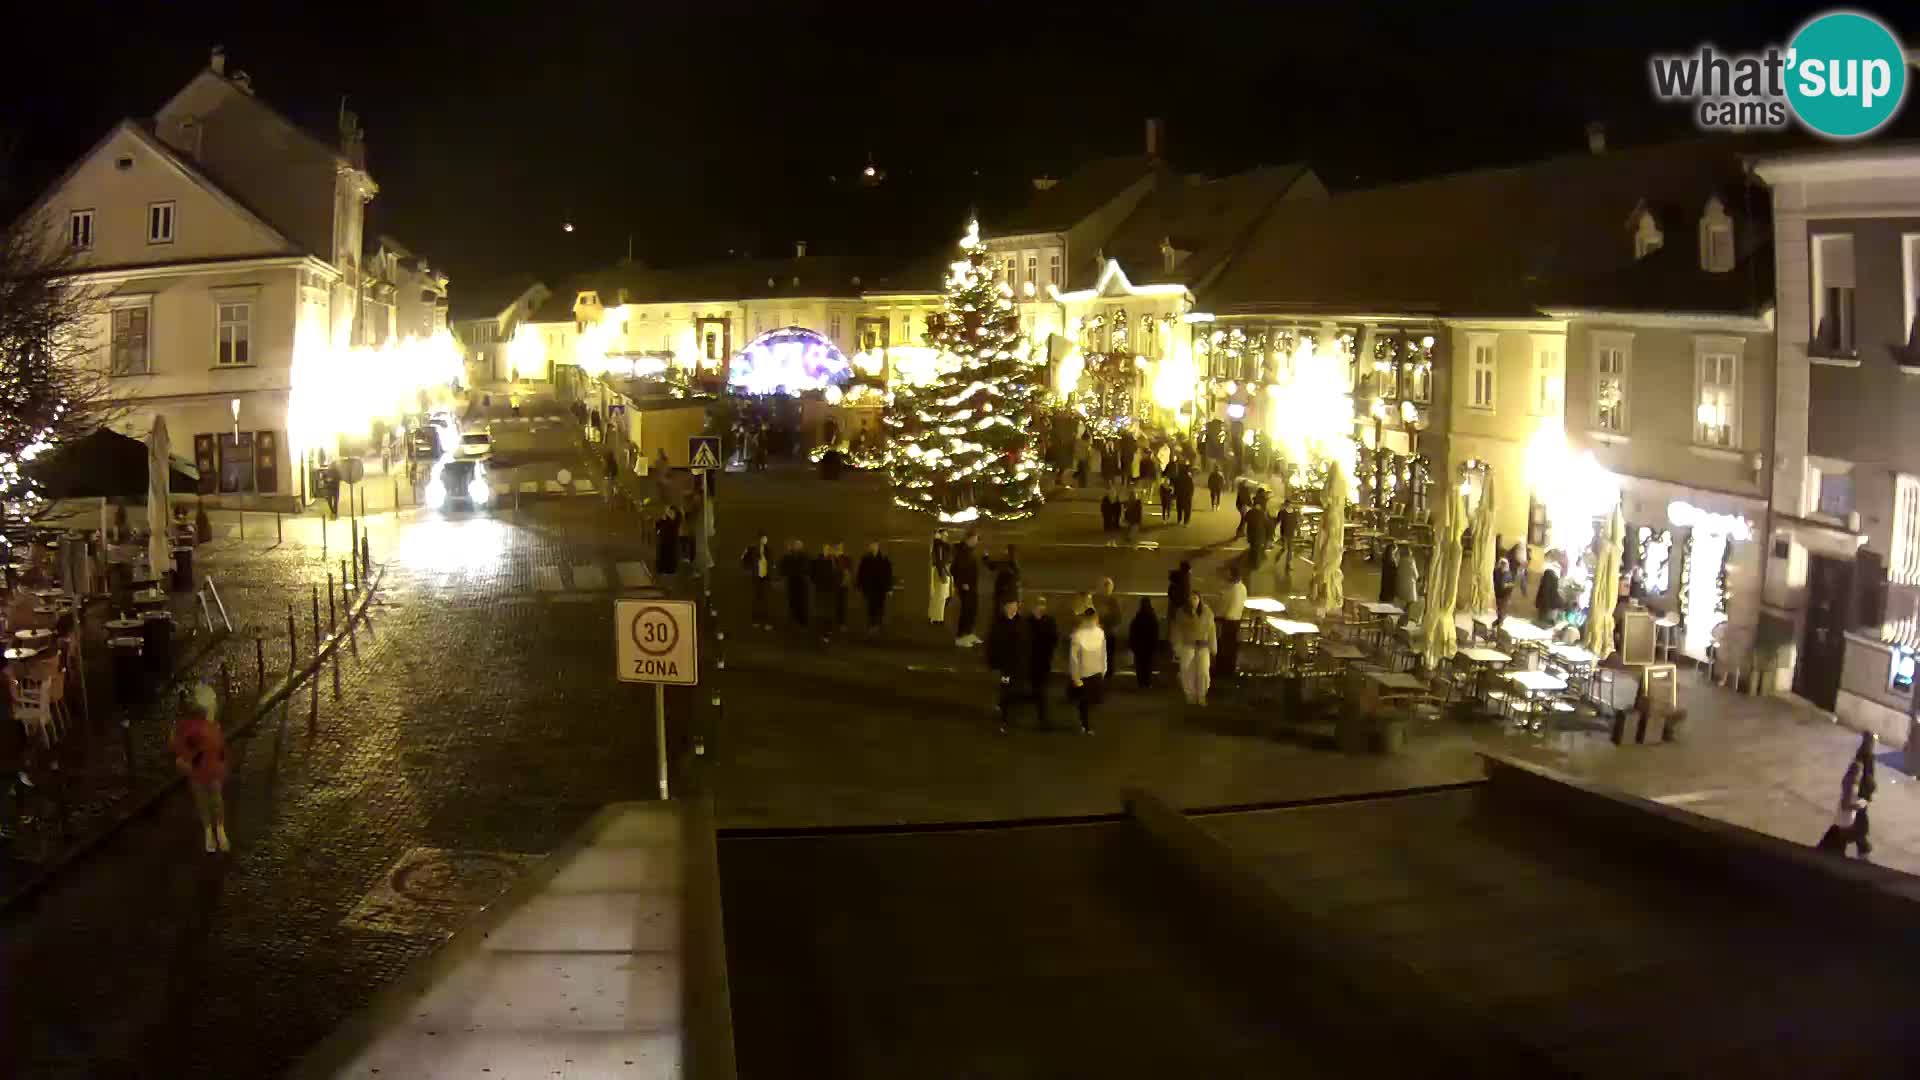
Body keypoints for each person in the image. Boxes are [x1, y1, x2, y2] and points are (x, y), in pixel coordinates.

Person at [169, 686, 229, 853]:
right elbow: (176, 744)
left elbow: (219, 744)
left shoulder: (211, 724)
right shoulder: (186, 725)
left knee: (216, 799)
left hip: (211, 766)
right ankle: (210, 832)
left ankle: (219, 830)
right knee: (203, 800)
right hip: (197, 768)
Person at [1819, 733, 1877, 857]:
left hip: (1854, 807)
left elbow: (1866, 777)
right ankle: (1861, 849)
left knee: (1850, 831)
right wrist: (1860, 802)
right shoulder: (1858, 771)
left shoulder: (1861, 762)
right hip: (1851, 810)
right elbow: (1865, 779)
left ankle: (1861, 849)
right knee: (1849, 832)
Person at [986, 598, 1037, 734]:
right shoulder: (998, 623)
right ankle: (1005, 717)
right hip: (1005, 665)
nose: (1010, 607)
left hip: (1018, 664)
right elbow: (992, 643)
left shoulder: (1022, 623)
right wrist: (993, 661)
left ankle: (1009, 713)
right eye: (1008, 605)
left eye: (1013, 604)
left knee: (1015, 687)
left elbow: (1027, 643)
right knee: (1006, 687)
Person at [1170, 590, 1219, 706]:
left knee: (1203, 672)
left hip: (1203, 646)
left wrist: (1213, 648)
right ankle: (1190, 695)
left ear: (1199, 599)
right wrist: (1177, 647)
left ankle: (1202, 695)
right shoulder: (1181, 613)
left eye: (1195, 598)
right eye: (1190, 598)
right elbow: (1177, 631)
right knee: (1187, 671)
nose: (1193, 600)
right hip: (1187, 645)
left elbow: (1211, 631)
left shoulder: (1207, 613)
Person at [1067, 604, 1106, 735]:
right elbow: (1074, 659)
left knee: (1091, 702)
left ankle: (1086, 724)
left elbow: (1103, 653)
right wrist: (1076, 677)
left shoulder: (1099, 633)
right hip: (1085, 674)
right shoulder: (1078, 635)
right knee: (1085, 702)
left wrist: (1103, 669)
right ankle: (1085, 724)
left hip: (1094, 673)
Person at [1028, 595, 1059, 729]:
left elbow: (1053, 639)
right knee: (1037, 688)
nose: (1039, 608)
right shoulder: (1028, 621)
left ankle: (1043, 718)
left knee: (1041, 689)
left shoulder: (1049, 621)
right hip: (1032, 660)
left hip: (1043, 660)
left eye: (1042, 605)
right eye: (1037, 605)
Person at [1215, 564, 1247, 679]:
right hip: (1236, 619)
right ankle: (1229, 669)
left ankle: (1222, 670)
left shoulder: (1232, 589)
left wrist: (1217, 616)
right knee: (1232, 647)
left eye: (1228, 574)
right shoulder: (1242, 588)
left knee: (1224, 646)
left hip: (1228, 620)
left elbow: (1225, 606)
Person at [952, 532, 982, 647]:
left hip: (972, 586)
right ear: (968, 539)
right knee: (966, 611)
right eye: (975, 539)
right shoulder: (961, 551)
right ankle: (960, 637)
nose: (976, 541)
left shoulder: (969, 550)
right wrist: (962, 582)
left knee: (972, 611)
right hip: (966, 587)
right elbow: (955, 569)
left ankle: (968, 633)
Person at [856, 541, 894, 633]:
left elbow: (888, 575)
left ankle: (877, 624)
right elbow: (861, 574)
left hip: (879, 588)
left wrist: (889, 588)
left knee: (878, 606)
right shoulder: (867, 560)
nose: (872, 548)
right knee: (872, 607)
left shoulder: (883, 560)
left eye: (874, 546)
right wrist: (859, 586)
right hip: (871, 588)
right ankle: (873, 624)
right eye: (871, 546)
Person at [742, 533, 774, 630]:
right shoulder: (752, 549)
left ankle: (766, 622)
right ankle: (756, 620)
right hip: (756, 577)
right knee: (756, 599)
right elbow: (745, 560)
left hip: (765, 577)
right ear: (759, 539)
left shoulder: (768, 550)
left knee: (766, 600)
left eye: (766, 538)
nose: (765, 540)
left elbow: (771, 562)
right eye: (763, 538)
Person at [1094, 577, 1123, 679]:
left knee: (1107, 655)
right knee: (1107, 655)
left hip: (1105, 632)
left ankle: (1106, 673)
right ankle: (1106, 674)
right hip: (1107, 632)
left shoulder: (1101, 600)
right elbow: (1117, 617)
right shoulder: (1112, 601)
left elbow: (1117, 617)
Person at [1128, 597, 1160, 689]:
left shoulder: (1138, 617)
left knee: (1140, 665)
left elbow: (1133, 631)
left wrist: (1132, 644)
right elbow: (1155, 633)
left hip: (1139, 645)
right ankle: (1147, 682)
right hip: (1149, 645)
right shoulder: (1152, 617)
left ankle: (1141, 682)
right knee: (1148, 665)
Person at [779, 539, 811, 629]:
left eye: (797, 545)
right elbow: (784, 567)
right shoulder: (790, 556)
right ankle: (795, 621)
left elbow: (805, 568)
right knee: (793, 602)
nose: (795, 547)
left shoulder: (804, 556)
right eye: (795, 545)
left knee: (801, 603)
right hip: (793, 581)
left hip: (800, 582)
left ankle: (801, 622)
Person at [928, 532, 953, 625]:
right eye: (944, 535)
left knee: (938, 596)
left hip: (941, 570)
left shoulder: (937, 545)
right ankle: (938, 618)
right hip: (941, 571)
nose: (946, 537)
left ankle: (933, 616)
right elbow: (940, 561)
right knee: (941, 596)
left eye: (947, 535)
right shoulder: (940, 546)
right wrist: (943, 574)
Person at [987, 544, 1022, 609]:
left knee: (1001, 611)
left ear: (1008, 551)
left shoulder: (1005, 561)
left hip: (1003, 593)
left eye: (1005, 550)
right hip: (1011, 593)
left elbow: (992, 566)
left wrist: (986, 557)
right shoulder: (1014, 563)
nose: (1003, 551)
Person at [655, 504, 683, 576]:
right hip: (664, 539)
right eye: (668, 511)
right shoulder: (665, 518)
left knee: (670, 555)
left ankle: (669, 570)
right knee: (662, 554)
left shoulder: (676, 518)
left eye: (670, 512)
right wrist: (661, 520)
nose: (668, 513)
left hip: (671, 540)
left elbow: (675, 524)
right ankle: (661, 569)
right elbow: (658, 525)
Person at [1493, 557, 1514, 626]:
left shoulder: (1506, 573)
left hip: (1504, 594)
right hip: (1500, 594)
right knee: (1500, 608)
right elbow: (1498, 583)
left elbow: (1509, 583)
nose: (1504, 565)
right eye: (1502, 564)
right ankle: (1499, 621)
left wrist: (1508, 585)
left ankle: (1500, 621)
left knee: (1502, 608)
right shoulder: (1497, 572)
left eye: (1504, 564)